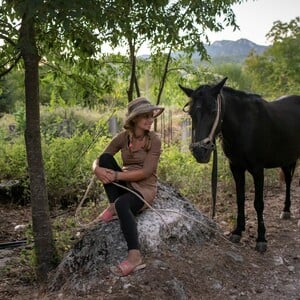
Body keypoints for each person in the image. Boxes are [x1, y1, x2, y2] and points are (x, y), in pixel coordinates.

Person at [92, 97, 164, 276]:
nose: (150, 120)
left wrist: (116, 175)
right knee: (106, 160)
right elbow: (101, 158)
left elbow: (146, 172)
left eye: (151, 116)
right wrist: (96, 169)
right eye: (145, 116)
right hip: (126, 183)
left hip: (144, 188)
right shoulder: (123, 138)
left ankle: (134, 257)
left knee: (123, 204)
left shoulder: (154, 140)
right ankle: (113, 205)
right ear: (134, 119)